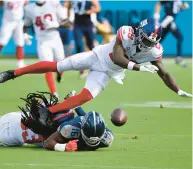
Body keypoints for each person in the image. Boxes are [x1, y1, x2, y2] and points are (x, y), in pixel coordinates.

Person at [0, 18, 192, 116]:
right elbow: (117, 57)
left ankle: (47, 112)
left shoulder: (154, 51)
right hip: (97, 56)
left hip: (107, 72)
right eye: (145, 39)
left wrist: (177, 89)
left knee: (85, 96)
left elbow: (164, 74)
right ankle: (13, 73)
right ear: (138, 31)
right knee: (57, 66)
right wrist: (137, 67)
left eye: (151, 42)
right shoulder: (126, 32)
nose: (147, 45)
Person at [18, 91, 114, 152]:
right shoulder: (69, 128)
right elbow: (47, 142)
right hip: (17, 128)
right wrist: (63, 147)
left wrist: (77, 106)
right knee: (62, 117)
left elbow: (85, 118)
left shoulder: (107, 138)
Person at [23, 0, 69, 98]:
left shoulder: (54, 3)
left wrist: (55, 24)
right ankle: (54, 92)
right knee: (47, 66)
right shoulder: (29, 8)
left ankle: (59, 75)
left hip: (55, 39)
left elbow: (67, 22)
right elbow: (26, 24)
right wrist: (25, 34)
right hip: (42, 41)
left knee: (61, 64)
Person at [0, 91, 75, 147]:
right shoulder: (51, 139)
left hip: (11, 120)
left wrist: (67, 103)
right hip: (10, 136)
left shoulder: (47, 127)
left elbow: (39, 104)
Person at [64, 0, 101, 78]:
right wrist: (68, 19)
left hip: (88, 25)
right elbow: (68, 7)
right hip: (77, 25)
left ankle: (97, 68)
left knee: (91, 47)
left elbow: (98, 8)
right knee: (79, 46)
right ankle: (81, 71)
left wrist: (90, 11)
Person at [154, 0, 189, 67]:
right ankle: (146, 54)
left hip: (171, 21)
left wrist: (183, 7)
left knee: (180, 38)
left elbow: (177, 9)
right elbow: (159, 3)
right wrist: (156, 16)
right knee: (158, 39)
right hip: (167, 20)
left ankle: (178, 57)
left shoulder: (180, 1)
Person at [0, 0, 28, 68]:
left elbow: (27, 5)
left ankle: (20, 63)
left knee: (20, 42)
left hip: (19, 21)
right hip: (8, 22)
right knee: (2, 41)